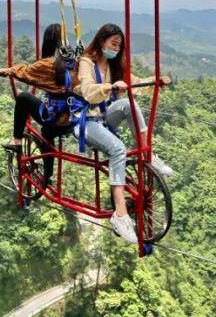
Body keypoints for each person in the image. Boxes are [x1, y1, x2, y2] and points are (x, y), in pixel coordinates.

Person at [74, 23, 173, 243]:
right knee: (118, 149)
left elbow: (134, 84)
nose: (116, 49)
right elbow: (89, 92)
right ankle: (119, 215)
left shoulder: (112, 65)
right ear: (102, 41)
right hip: (85, 120)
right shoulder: (86, 63)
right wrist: (109, 87)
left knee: (130, 103)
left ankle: (148, 156)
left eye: (119, 46)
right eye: (114, 44)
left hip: (103, 117)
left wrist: (156, 82)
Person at [0, 24, 77, 186]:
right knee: (47, 134)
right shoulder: (74, 61)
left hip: (55, 120)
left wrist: (7, 70)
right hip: (73, 120)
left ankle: (17, 142)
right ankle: (47, 177)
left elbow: (26, 72)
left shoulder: (48, 64)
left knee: (23, 98)